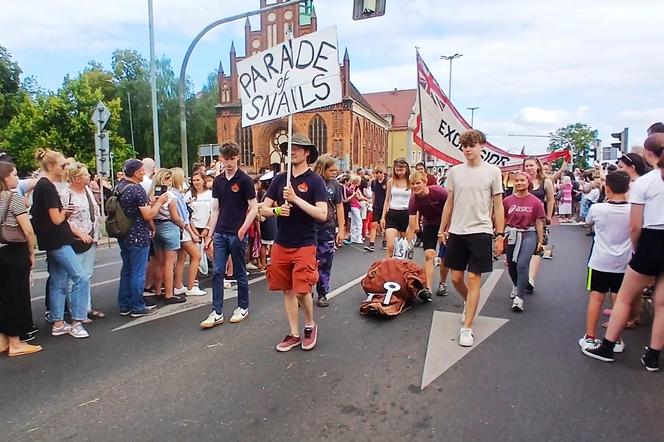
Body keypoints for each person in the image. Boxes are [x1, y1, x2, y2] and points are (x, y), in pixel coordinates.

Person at [583, 134, 664, 371]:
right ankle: (652, 355)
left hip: (651, 239)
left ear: (648, 154)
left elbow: (635, 226)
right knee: (662, 303)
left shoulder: (645, 183)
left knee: (625, 297)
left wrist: (638, 250)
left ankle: (607, 347)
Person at [260, 134, 327, 352]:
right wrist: (278, 210)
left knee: (301, 290)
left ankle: (310, 325)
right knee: (287, 290)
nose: (294, 151)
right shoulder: (280, 179)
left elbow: (322, 214)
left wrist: (296, 199)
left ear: (307, 152)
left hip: (305, 243)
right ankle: (294, 333)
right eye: (291, 147)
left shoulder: (315, 181)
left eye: (299, 148)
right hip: (282, 242)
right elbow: (262, 210)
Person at [439, 130, 505, 347]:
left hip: (481, 231)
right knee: (456, 279)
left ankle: (467, 327)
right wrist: (442, 229)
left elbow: (498, 205)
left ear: (482, 146)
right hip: (457, 231)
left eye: (472, 145)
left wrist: (500, 234)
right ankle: (470, 301)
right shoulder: (455, 172)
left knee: (474, 278)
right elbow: (449, 202)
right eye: (464, 146)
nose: (467, 149)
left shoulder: (493, 172)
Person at [30, 149, 90, 338]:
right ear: (50, 166)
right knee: (80, 277)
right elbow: (56, 219)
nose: (66, 168)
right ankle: (77, 321)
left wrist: (65, 213)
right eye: (63, 165)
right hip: (59, 240)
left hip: (52, 240)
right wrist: (65, 213)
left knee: (58, 281)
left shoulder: (44, 185)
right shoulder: (47, 186)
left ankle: (57, 322)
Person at [201, 142, 258, 328]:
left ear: (238, 158)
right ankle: (216, 311)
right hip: (221, 233)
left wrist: (243, 229)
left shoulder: (245, 180)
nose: (229, 163)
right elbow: (215, 210)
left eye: (233, 159)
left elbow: (253, 207)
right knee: (217, 272)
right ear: (221, 159)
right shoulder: (218, 181)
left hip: (237, 233)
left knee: (240, 271)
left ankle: (243, 306)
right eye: (226, 159)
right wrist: (209, 232)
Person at [578, 171, 631, 351]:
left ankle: (590, 337)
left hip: (600, 260)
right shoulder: (634, 209)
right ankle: (615, 339)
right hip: (624, 262)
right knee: (620, 299)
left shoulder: (598, 208)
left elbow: (588, 222)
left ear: (606, 188)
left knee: (596, 296)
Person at [115, 159, 170, 317]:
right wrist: (159, 202)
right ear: (137, 172)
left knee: (127, 270)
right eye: (142, 170)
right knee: (138, 272)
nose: (144, 173)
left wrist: (150, 203)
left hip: (123, 234)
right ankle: (137, 306)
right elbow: (148, 215)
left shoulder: (120, 186)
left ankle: (124, 305)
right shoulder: (136, 189)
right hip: (138, 235)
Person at [0, 161, 42, 356]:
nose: (17, 178)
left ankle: (3, 340)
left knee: (3, 298)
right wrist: (31, 252)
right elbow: (27, 230)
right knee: (17, 297)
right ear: (5, 177)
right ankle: (17, 343)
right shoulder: (13, 198)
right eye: (15, 174)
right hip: (14, 252)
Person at [61, 162, 105, 321]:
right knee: (76, 277)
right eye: (86, 174)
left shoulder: (87, 190)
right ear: (77, 178)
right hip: (77, 239)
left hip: (91, 237)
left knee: (87, 274)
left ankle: (86, 307)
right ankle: (76, 312)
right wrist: (78, 232)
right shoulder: (66, 194)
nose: (89, 176)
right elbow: (62, 219)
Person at [502, 171, 545, 312]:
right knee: (511, 265)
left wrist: (540, 240)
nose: (519, 183)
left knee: (522, 265)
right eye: (517, 180)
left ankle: (519, 298)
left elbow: (539, 222)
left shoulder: (536, 202)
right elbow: (502, 219)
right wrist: (500, 235)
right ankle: (517, 285)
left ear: (528, 183)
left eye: (522, 180)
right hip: (511, 234)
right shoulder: (507, 201)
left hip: (529, 234)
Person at [405, 171, 449, 299]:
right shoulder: (413, 200)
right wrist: (406, 244)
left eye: (418, 183)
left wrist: (446, 230)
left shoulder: (439, 192)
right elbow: (411, 225)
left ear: (425, 182)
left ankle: (442, 283)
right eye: (412, 184)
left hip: (446, 222)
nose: (415, 186)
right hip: (429, 224)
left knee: (444, 256)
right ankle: (428, 288)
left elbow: (452, 209)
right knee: (429, 254)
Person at [149, 169, 187, 305]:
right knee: (169, 263)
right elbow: (175, 217)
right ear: (163, 180)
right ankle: (169, 294)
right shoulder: (170, 196)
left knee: (159, 262)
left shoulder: (151, 195)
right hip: (170, 228)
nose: (170, 182)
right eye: (168, 179)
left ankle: (158, 291)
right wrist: (182, 224)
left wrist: (153, 228)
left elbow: (150, 215)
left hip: (157, 227)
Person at [313, 154, 345, 307]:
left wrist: (342, 229)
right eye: (332, 170)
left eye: (336, 170)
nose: (335, 173)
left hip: (327, 228)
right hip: (309, 228)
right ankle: (305, 292)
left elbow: (339, 206)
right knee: (306, 262)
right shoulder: (311, 181)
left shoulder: (335, 185)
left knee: (325, 262)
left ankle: (322, 293)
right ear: (322, 168)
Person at [172, 168, 206, 297]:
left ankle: (178, 285)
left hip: (180, 230)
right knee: (196, 256)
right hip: (184, 231)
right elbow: (184, 217)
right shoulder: (178, 195)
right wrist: (192, 233)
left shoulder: (175, 194)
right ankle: (191, 286)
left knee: (181, 258)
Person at [522, 157, 555, 295]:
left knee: (538, 247)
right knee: (522, 249)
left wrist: (548, 216)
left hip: (539, 220)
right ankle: (521, 277)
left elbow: (551, 200)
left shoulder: (545, 182)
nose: (529, 168)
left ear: (537, 166)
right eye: (526, 166)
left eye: (531, 165)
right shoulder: (521, 180)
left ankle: (530, 279)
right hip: (523, 219)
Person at [381, 158, 411, 258]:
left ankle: (402, 270)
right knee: (390, 246)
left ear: (406, 168)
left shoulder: (411, 181)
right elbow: (387, 199)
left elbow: (415, 202)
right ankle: (389, 269)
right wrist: (382, 217)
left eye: (401, 170)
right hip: (392, 213)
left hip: (406, 213)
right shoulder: (391, 181)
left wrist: (415, 221)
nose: (399, 172)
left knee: (404, 247)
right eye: (396, 170)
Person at [185, 171, 213, 277]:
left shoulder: (210, 194)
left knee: (212, 251)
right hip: (194, 227)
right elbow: (186, 213)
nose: (196, 182)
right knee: (196, 256)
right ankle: (195, 280)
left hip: (207, 227)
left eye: (198, 180)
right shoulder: (189, 195)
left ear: (203, 180)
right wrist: (193, 230)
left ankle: (220, 277)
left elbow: (213, 212)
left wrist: (208, 228)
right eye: (194, 180)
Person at [365, 166, 387, 252]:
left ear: (383, 173)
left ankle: (385, 241)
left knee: (385, 224)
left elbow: (389, 195)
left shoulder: (387, 181)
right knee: (374, 224)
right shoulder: (374, 183)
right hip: (377, 206)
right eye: (377, 173)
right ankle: (371, 244)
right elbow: (373, 194)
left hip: (385, 206)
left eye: (380, 173)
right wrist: (373, 204)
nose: (379, 175)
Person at [348, 175, 366, 244]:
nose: (360, 183)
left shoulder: (354, 188)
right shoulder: (352, 189)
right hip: (354, 206)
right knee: (359, 222)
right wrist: (366, 199)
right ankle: (358, 237)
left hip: (354, 206)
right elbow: (358, 197)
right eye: (359, 181)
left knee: (354, 222)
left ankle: (354, 237)